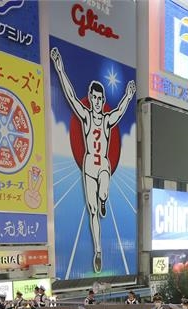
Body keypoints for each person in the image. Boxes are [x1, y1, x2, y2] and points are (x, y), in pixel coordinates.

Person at [50, 46, 136, 273]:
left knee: (103, 192)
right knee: (92, 211)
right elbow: (70, 96)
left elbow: (120, 110)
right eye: (94, 98)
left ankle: (104, 198)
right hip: (88, 166)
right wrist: (60, 69)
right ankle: (98, 250)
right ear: (90, 99)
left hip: (103, 166)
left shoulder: (106, 120)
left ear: (102, 99)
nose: (96, 101)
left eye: (99, 98)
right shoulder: (86, 117)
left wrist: (128, 95)